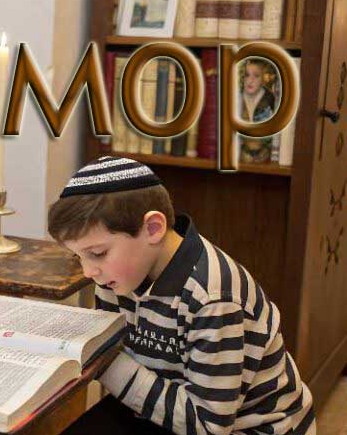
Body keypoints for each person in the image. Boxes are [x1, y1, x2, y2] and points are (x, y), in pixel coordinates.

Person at [48, 157, 315, 435]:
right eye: (78, 256)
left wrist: (104, 362)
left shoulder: (214, 299)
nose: (88, 271)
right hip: (168, 410)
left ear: (153, 228)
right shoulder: (117, 276)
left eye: (98, 253)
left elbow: (209, 426)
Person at [239, 59, 278, 164]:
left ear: (263, 78)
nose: (250, 80)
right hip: (241, 155)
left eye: (256, 76)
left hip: (264, 156)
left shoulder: (270, 99)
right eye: (247, 75)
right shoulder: (237, 97)